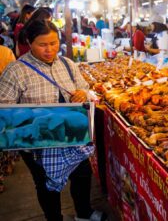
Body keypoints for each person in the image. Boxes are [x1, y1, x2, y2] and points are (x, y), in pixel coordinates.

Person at [0, 20, 106, 221]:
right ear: (30, 42)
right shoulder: (16, 71)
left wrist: (82, 93)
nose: (49, 50)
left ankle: (84, 213)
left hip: (72, 136)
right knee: (45, 183)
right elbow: (4, 108)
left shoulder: (67, 64)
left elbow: (84, 86)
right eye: (42, 44)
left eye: (54, 43)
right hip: (36, 143)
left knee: (82, 174)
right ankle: (54, 218)